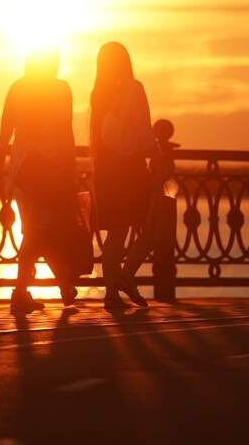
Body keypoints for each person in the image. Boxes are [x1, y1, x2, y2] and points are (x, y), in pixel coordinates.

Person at [0, 49, 80, 314]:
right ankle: (24, 291)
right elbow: (66, 131)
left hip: (22, 170)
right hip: (50, 168)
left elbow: (5, 132)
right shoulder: (60, 89)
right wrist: (71, 169)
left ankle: (57, 286)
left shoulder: (18, 88)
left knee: (36, 229)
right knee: (40, 230)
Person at [90, 41, 156, 310]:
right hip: (130, 167)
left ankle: (112, 291)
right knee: (148, 228)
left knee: (116, 234)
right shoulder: (133, 88)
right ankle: (125, 277)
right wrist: (157, 153)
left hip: (106, 169)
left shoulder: (98, 93)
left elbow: (104, 136)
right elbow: (144, 129)